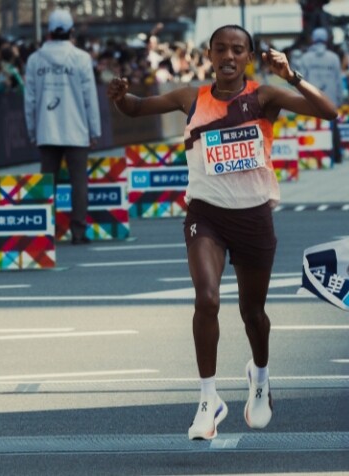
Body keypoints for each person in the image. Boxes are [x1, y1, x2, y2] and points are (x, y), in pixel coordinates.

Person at [107, 24, 337, 440]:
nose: (228, 56)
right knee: (207, 299)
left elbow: (329, 112)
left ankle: (260, 377)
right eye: (221, 49)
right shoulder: (190, 97)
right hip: (206, 214)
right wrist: (121, 98)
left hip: (253, 217)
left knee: (253, 314)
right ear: (209, 55)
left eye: (237, 49)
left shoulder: (264, 97)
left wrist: (291, 76)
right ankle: (208, 398)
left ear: (248, 56)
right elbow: (138, 108)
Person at [24, 8, 102, 244]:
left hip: (46, 128)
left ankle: (46, 230)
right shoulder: (81, 58)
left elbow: (30, 100)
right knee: (79, 182)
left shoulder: (35, 60)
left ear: (48, 32)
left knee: (47, 182)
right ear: (71, 31)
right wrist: (94, 130)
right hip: (76, 128)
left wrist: (32, 130)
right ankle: (78, 231)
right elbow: (90, 98)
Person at [299, 27, 342, 162]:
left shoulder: (305, 58)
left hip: (312, 99)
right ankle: (336, 156)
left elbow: (300, 80)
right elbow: (338, 81)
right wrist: (339, 99)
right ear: (326, 40)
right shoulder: (334, 58)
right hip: (331, 98)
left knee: (312, 127)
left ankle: (313, 157)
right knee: (332, 127)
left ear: (313, 40)